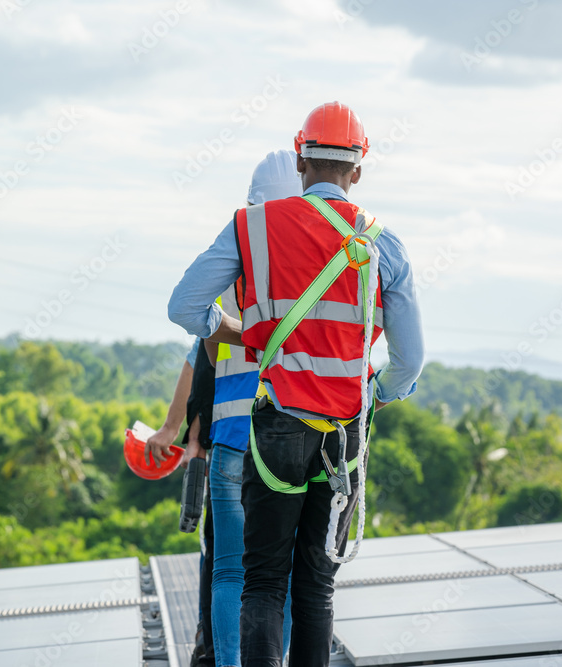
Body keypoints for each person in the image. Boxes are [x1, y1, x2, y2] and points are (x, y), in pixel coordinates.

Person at [168, 102, 424, 666]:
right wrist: (376, 391)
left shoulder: (253, 227)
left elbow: (183, 305)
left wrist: (229, 327)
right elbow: (409, 360)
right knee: (316, 585)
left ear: (301, 156)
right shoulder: (384, 244)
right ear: (358, 169)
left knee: (262, 581)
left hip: (276, 428)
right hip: (343, 438)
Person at [152, 151, 302, 667]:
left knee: (230, 572)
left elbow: (205, 349)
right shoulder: (315, 265)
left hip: (232, 436)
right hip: (291, 437)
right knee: (281, 572)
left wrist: (244, 334)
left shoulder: (239, 259)